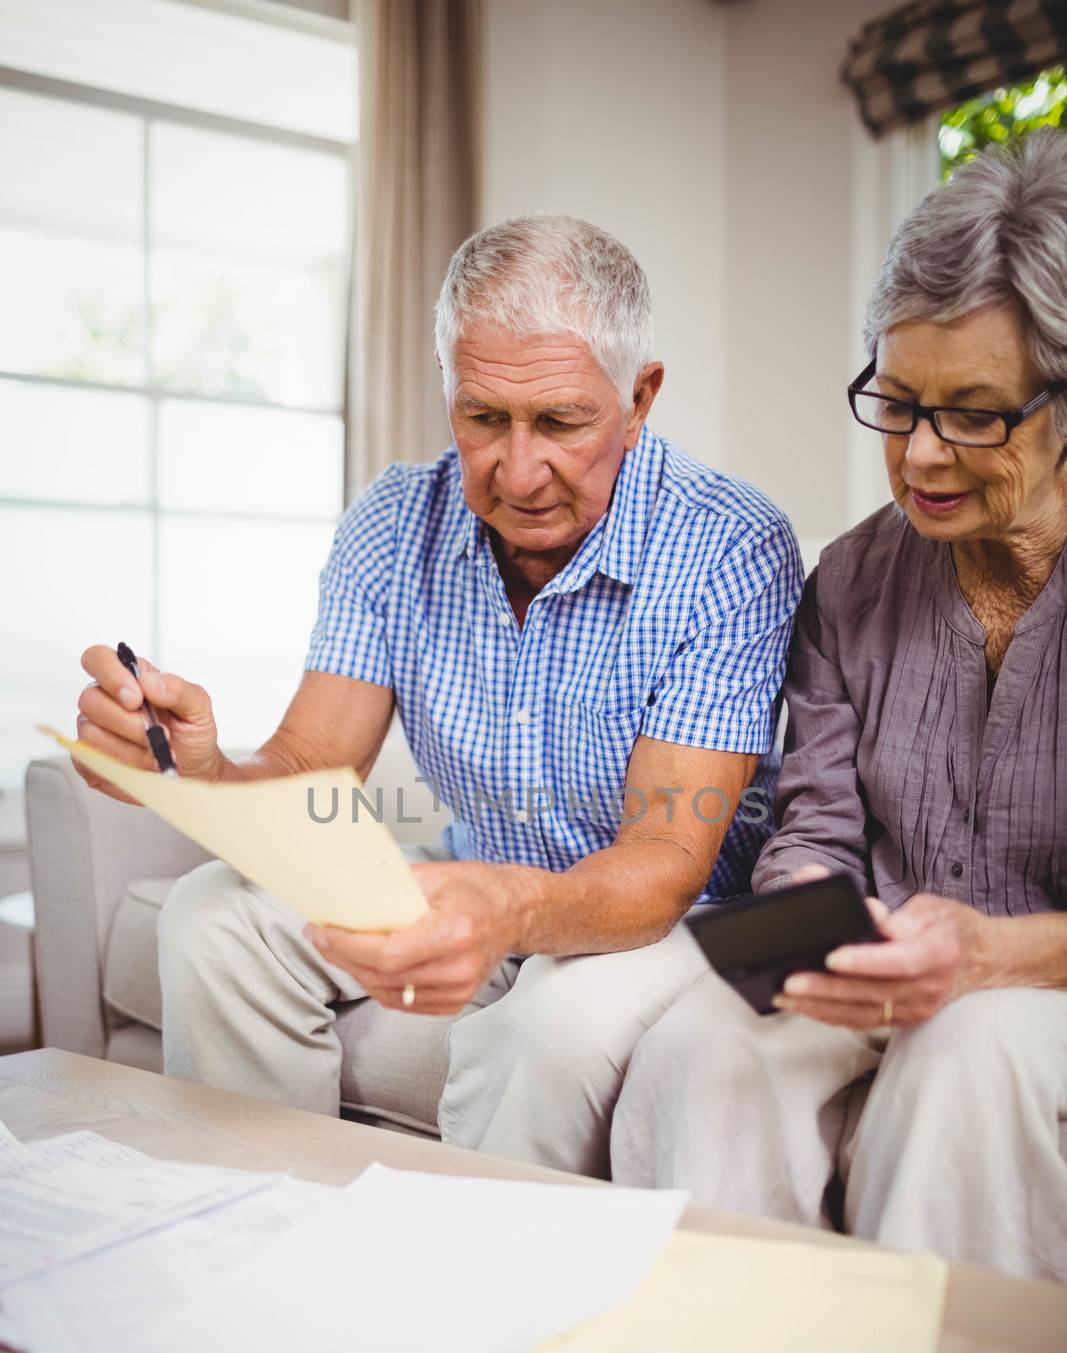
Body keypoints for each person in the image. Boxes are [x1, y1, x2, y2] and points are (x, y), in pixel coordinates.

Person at [74, 215, 801, 1170]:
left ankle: (473, 1292)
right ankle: (259, 1231)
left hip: (671, 915)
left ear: (639, 397)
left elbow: (665, 856)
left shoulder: (730, 545)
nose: (518, 469)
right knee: (213, 915)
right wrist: (198, 769)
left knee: (552, 1022)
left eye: (562, 422)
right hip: (475, 875)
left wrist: (500, 910)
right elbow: (305, 770)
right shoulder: (394, 520)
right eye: (483, 417)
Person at [611, 131, 1067, 1281]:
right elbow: (811, 825)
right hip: (883, 970)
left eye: (972, 414)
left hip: (1034, 985)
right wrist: (818, 930)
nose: (917, 454)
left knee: (966, 1050)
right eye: (895, 398)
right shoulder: (852, 579)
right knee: (702, 1045)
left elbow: (990, 980)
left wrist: (990, 952)